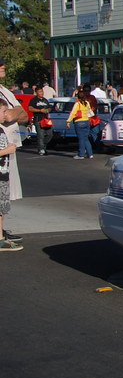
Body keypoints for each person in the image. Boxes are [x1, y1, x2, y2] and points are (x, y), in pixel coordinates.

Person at [0, 59, 25, 244]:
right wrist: (14, 111)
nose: (3, 66)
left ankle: (1, 230)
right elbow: (8, 115)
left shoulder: (4, 90)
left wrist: (14, 111)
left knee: (6, 193)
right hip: (3, 149)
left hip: (10, 149)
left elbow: (23, 113)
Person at [0, 100, 22, 251]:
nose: (6, 114)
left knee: (2, 209)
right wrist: (6, 151)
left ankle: (0, 236)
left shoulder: (1, 129)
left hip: (3, 174)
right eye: (3, 111)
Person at [66, 91, 95, 160]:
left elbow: (73, 113)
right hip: (86, 121)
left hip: (79, 122)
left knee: (81, 139)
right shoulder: (87, 103)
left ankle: (81, 154)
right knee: (86, 138)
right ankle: (90, 154)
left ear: (78, 97)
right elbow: (90, 112)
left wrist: (68, 121)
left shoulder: (77, 104)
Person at [27, 86, 52, 156]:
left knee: (49, 134)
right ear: (36, 92)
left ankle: (43, 146)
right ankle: (41, 150)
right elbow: (30, 108)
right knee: (40, 135)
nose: (41, 93)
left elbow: (50, 108)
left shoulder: (45, 100)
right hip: (38, 119)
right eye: (40, 91)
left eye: (42, 91)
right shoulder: (34, 100)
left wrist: (48, 110)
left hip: (46, 120)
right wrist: (40, 110)